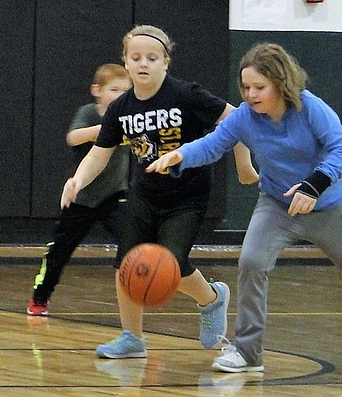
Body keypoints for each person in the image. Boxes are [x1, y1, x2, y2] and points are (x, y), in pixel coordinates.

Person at [146, 42, 342, 373]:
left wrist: (313, 185)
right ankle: (248, 353)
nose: (250, 94)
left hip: (329, 206)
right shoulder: (244, 118)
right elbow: (213, 144)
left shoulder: (310, 109)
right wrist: (181, 156)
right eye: (245, 87)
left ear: (280, 83)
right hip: (276, 204)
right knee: (251, 261)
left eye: (259, 87)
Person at [61, 24, 258, 358]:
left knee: (171, 261)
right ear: (125, 61)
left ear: (165, 62)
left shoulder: (185, 95)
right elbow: (99, 153)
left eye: (152, 58)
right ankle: (132, 338)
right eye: (135, 57)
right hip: (144, 194)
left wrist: (244, 166)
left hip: (187, 196)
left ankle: (211, 299)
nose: (143, 63)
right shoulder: (121, 107)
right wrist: (78, 179)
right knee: (127, 262)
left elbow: (236, 119)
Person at [28, 63, 132, 317]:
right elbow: (72, 137)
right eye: (114, 89)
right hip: (81, 197)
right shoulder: (89, 113)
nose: (120, 96)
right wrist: (101, 131)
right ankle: (40, 297)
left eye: (125, 91)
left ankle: (135, 291)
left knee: (133, 239)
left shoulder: (131, 116)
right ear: (97, 90)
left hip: (114, 195)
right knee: (59, 251)